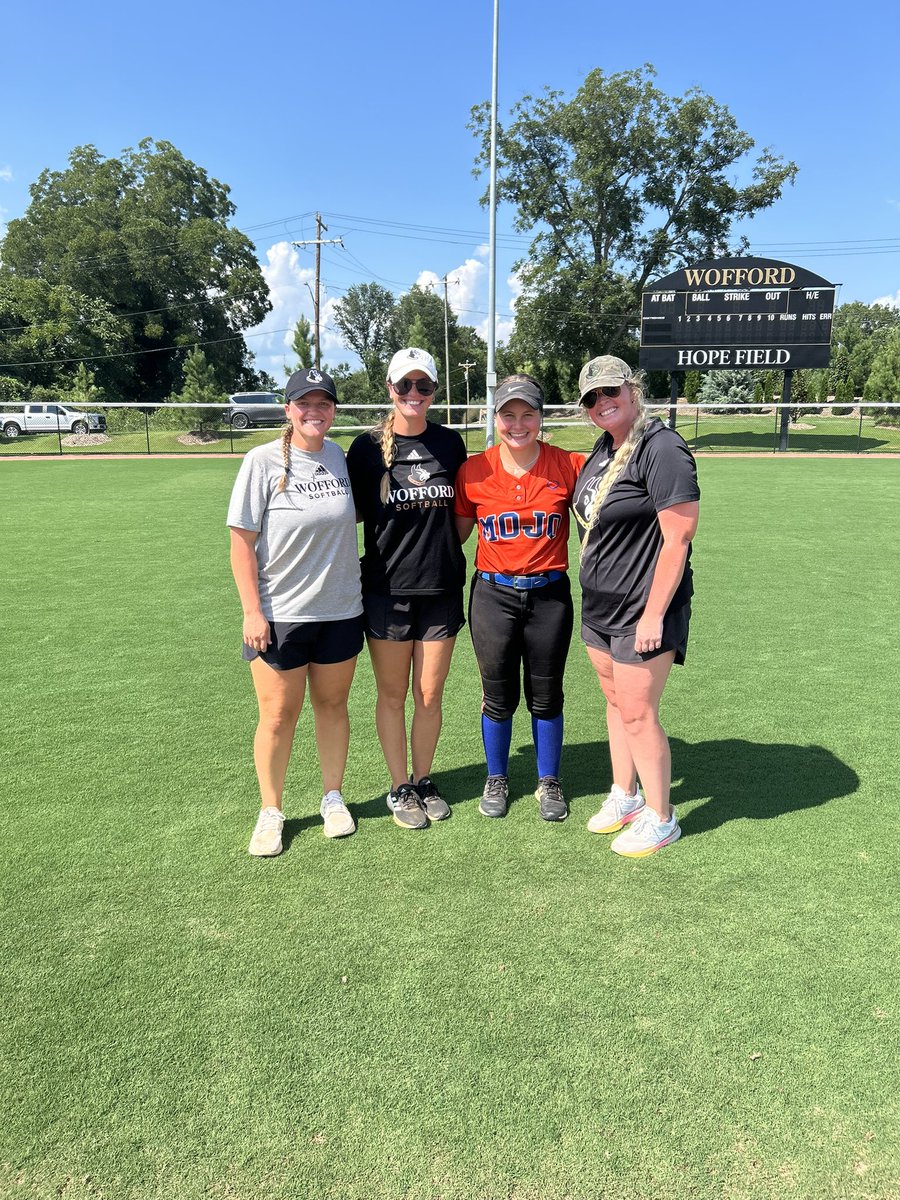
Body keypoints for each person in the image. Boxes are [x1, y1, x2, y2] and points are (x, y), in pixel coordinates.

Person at [227, 367, 364, 857]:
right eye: (304, 403)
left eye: (323, 403)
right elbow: (241, 544)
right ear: (288, 410)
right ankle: (271, 811)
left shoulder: (340, 458)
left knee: (332, 706)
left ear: (333, 410)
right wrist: (251, 612)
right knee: (278, 716)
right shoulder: (261, 461)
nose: (314, 411)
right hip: (280, 613)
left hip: (341, 611)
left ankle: (333, 798)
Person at [573, 355, 700, 857]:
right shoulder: (604, 451)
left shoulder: (660, 446)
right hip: (600, 607)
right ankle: (625, 795)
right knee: (617, 704)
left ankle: (661, 817)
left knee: (639, 713)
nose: (602, 402)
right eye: (591, 397)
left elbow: (679, 537)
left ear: (631, 390)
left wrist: (653, 614)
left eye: (610, 392)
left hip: (643, 610)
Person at [454, 375, 585, 820]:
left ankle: (549, 781)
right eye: (508, 414)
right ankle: (498, 776)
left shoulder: (568, 464)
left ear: (541, 418)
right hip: (494, 595)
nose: (518, 424)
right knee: (498, 695)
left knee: (547, 695)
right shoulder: (474, 471)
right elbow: (454, 534)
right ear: (496, 418)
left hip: (549, 596)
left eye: (528, 414)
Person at [346, 348, 467, 830]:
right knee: (393, 695)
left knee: (430, 694)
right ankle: (399, 787)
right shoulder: (364, 448)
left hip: (440, 587)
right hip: (385, 591)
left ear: (435, 391)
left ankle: (423, 778)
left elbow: (460, 520)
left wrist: (434, 552)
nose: (414, 394)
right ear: (389, 389)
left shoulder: (451, 443)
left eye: (424, 386)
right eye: (404, 386)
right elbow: (347, 514)